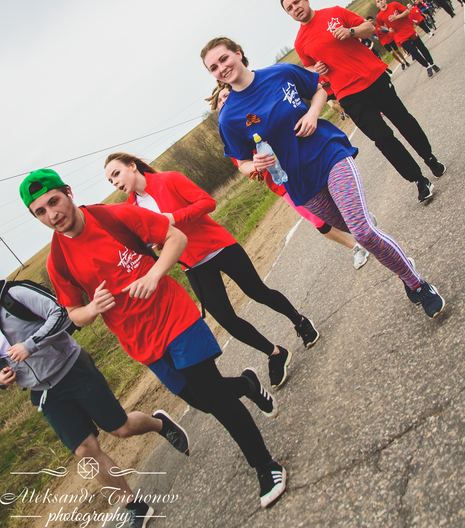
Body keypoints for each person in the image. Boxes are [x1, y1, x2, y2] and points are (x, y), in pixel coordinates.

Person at [19, 169, 286, 510]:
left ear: (68, 192)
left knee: (212, 396)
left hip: (173, 315)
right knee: (201, 400)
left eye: (53, 201)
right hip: (139, 341)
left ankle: (266, 466)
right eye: (40, 212)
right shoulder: (58, 260)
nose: (51, 214)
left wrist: (155, 274)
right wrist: (92, 309)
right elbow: (73, 314)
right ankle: (246, 384)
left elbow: (176, 238)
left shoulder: (115, 217)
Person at [201, 36, 445, 321]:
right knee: (359, 234)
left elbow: (318, 90)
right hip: (299, 182)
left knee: (363, 231)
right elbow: (241, 163)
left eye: (224, 59)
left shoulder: (280, 72)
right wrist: (254, 165)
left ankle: (417, 284)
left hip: (328, 153)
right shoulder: (228, 118)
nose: (221, 68)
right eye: (213, 67)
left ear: (238, 53)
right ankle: (401, 265)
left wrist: (313, 114)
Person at [104, 152, 319, 389]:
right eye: (111, 180)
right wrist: (158, 242)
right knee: (226, 319)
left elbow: (207, 202)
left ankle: (299, 321)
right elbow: (156, 237)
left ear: (132, 166)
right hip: (191, 264)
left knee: (259, 292)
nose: (115, 182)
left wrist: (173, 218)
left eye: (116, 173)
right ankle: (275, 353)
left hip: (218, 246)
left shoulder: (169, 179)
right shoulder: (131, 208)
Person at [0, 277, 190, 527]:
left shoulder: (14, 293)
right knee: (84, 450)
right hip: (45, 393)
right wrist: (2, 376)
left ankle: (160, 424)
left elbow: (60, 314)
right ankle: (134, 505)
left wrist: (30, 345)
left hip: (72, 369)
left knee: (121, 428)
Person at [280, 0, 445, 203]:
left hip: (373, 78)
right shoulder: (300, 42)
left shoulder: (334, 12)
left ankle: (429, 157)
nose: (295, 8)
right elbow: (309, 68)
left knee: (403, 121)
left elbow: (369, 28)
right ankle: (418, 180)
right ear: (288, 14)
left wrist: (350, 32)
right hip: (348, 95)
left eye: (297, 2)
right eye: (290, 8)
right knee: (382, 138)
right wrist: (316, 70)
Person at [212, 83, 374, 270]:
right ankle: (356, 246)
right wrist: (257, 167)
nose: (223, 101)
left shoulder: (255, 113)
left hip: (302, 165)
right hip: (281, 183)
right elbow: (246, 168)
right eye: (220, 101)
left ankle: (361, 222)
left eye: (226, 96)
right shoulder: (231, 134)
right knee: (319, 222)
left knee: (336, 203)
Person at [375, 0, 439, 79]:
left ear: (385, 0)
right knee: (413, 52)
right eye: (378, 1)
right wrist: (388, 29)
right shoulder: (379, 16)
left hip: (408, 29)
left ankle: (432, 63)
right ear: (377, 5)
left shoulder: (394, 4)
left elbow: (407, 11)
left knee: (422, 47)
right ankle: (427, 66)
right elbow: (381, 25)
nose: (380, 2)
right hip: (399, 35)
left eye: (381, 0)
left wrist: (396, 17)